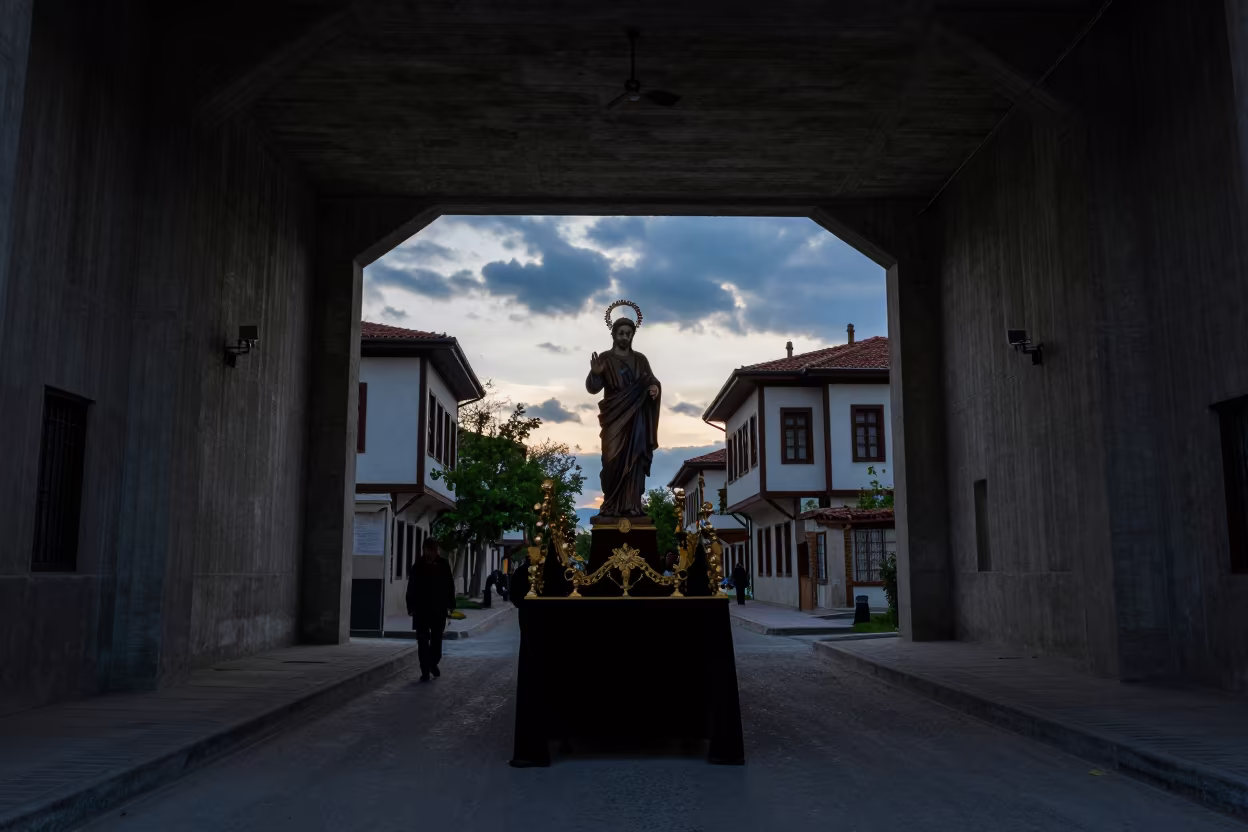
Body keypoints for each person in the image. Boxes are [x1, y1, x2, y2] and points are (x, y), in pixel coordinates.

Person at [585, 303, 661, 519]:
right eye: (621, 333)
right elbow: (592, 388)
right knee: (611, 461)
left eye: (628, 333)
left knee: (634, 460)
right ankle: (610, 504)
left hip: (636, 418)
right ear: (614, 334)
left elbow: (650, 380)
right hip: (613, 419)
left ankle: (631, 505)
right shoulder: (605, 359)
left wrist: (654, 388)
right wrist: (596, 374)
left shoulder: (640, 359)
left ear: (632, 336)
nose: (625, 337)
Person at [406, 538, 456, 682]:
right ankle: (425, 671)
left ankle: (433, 663)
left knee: (436, 642)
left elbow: (449, 586)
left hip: (438, 610)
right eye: (430, 550)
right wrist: (410, 606)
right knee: (422, 641)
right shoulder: (418, 566)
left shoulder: (443, 565)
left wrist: (451, 605)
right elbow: (411, 587)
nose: (432, 553)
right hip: (421, 610)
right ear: (424, 550)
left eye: (434, 550)